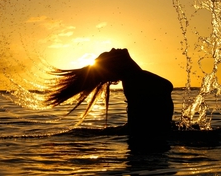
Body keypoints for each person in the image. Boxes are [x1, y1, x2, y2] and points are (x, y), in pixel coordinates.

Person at [46, 48, 174, 151]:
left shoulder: (136, 77)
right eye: (109, 53)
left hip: (152, 143)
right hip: (147, 147)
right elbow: (142, 122)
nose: (113, 49)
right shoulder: (134, 82)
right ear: (115, 65)